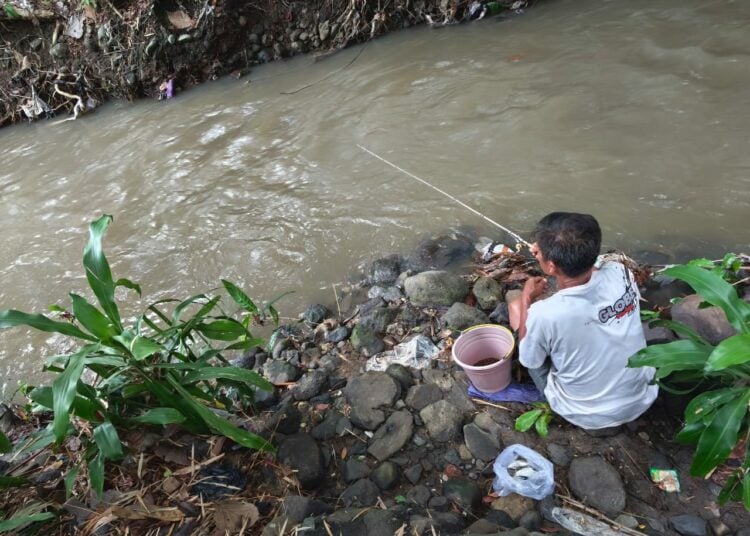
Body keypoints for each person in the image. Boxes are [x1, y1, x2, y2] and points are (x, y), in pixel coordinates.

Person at [509, 212, 658, 430]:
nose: (536, 252)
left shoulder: (544, 314)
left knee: (515, 309)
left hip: (585, 414)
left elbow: (529, 360)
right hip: (642, 396)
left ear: (551, 267)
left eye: (539, 251)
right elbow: (597, 266)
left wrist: (526, 298)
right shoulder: (621, 272)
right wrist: (548, 253)